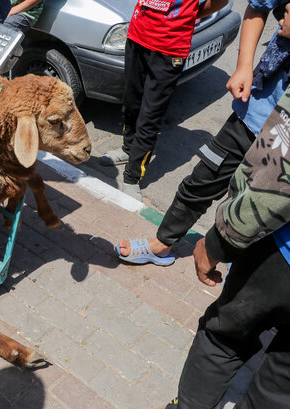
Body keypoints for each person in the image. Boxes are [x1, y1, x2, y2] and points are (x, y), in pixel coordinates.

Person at [157, 13, 290, 408]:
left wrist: (216, 243)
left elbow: (275, 185)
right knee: (279, 387)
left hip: (280, 259)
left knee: (223, 338)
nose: (282, 9)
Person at [116, 0, 290, 266]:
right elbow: (257, 6)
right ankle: (162, 243)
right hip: (255, 111)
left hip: (284, 139)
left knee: (262, 211)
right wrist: (244, 65)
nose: (282, 16)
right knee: (203, 178)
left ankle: (235, 267)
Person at [100, 0, 229, 201]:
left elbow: (220, 2)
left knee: (149, 115)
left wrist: (186, 16)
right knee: (131, 102)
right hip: (137, 36)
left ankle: (132, 177)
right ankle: (128, 149)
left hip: (169, 49)